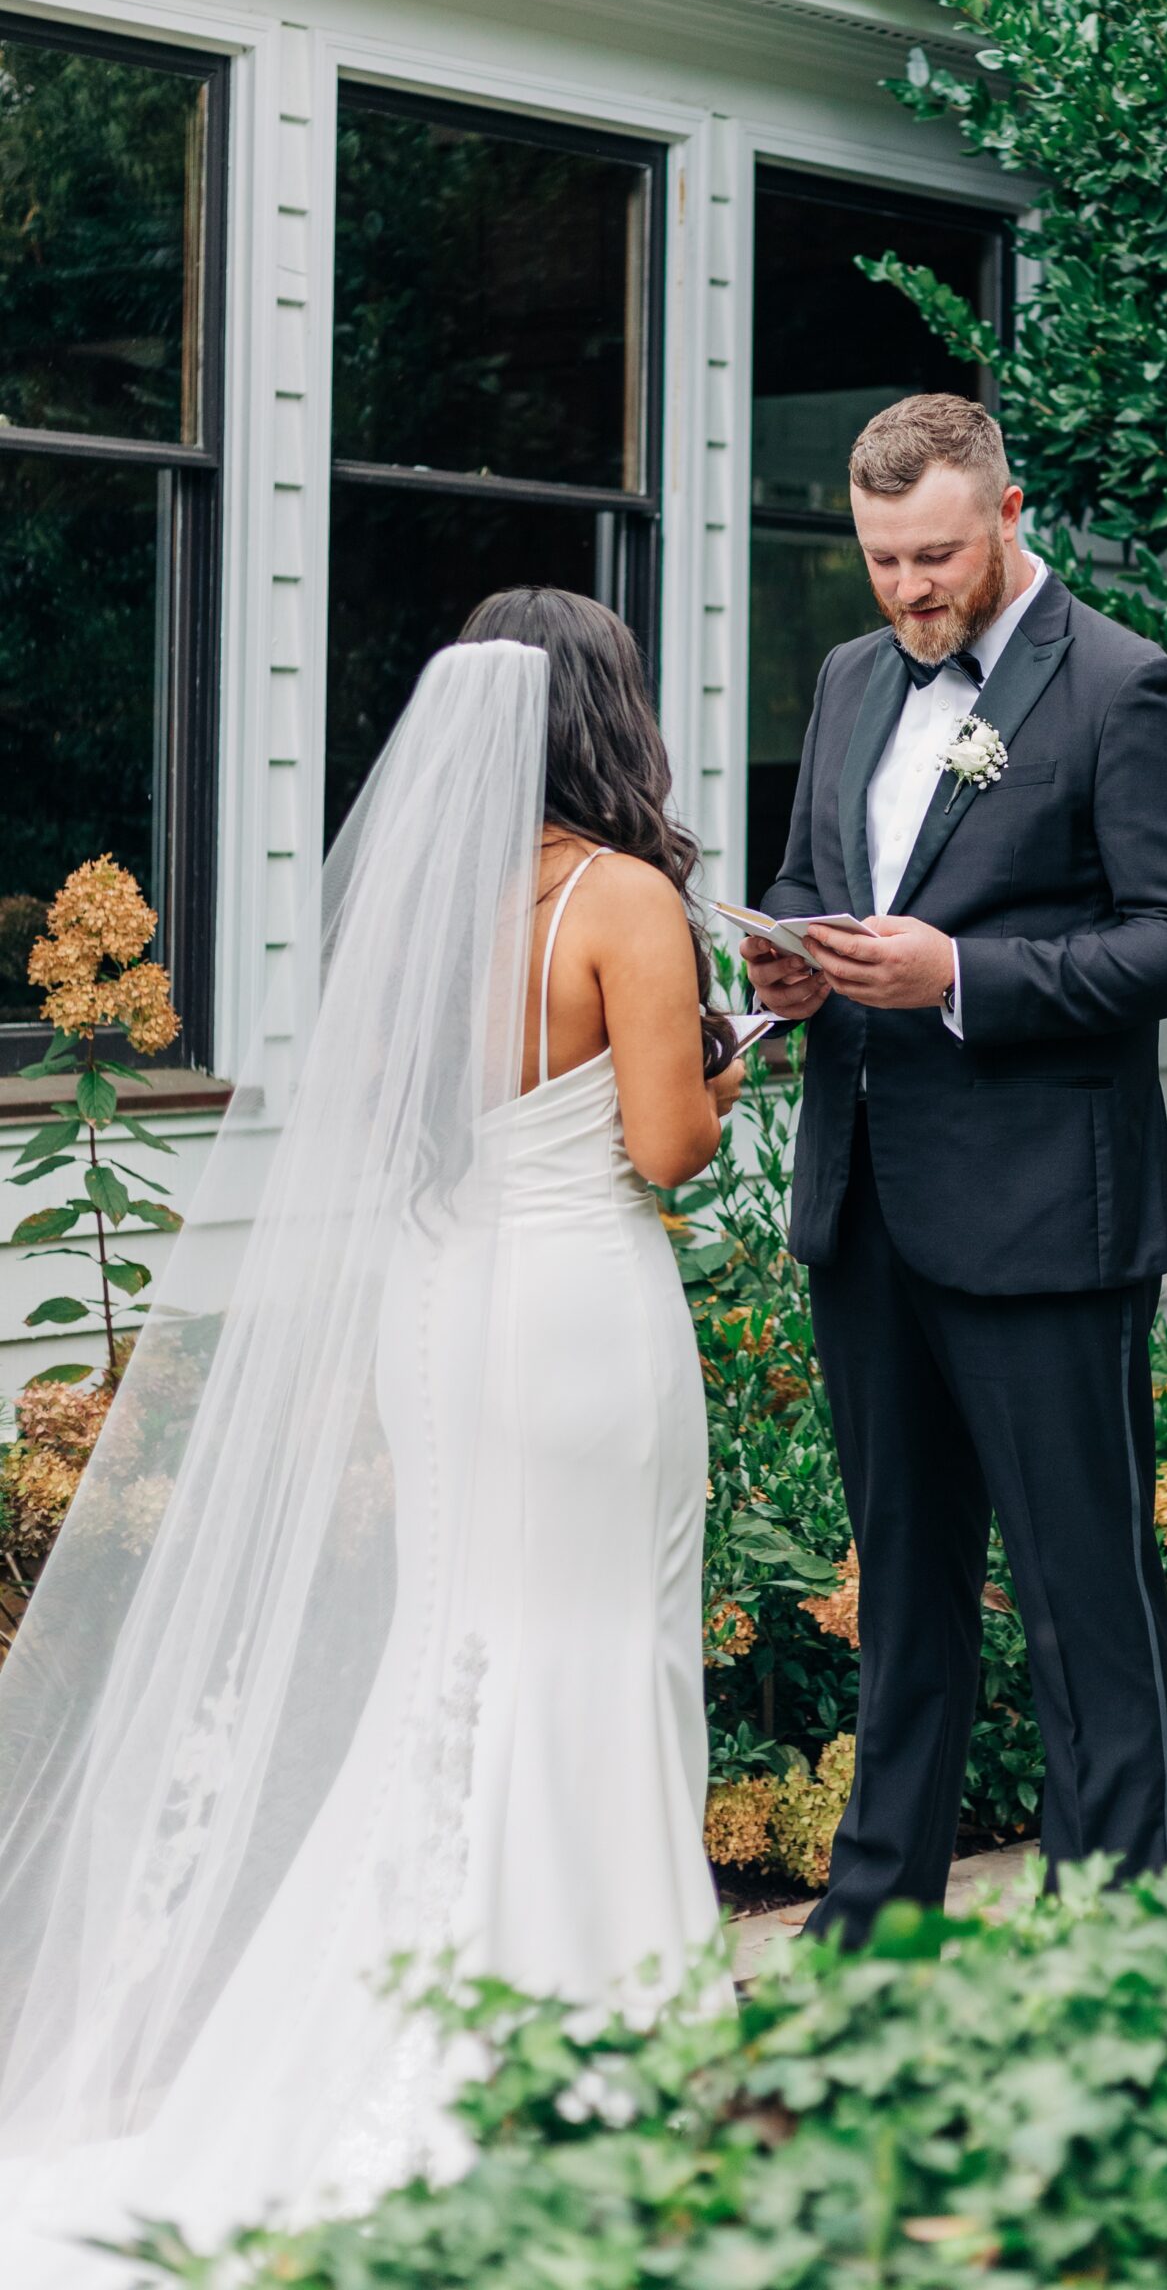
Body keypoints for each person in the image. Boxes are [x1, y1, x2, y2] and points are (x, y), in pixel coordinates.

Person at [0, 591, 740, 2282]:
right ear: (605, 716)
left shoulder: (426, 912)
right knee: (589, 1643)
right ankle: (600, 2032)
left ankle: (404, 2011)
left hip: (440, 1308)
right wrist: (740, 1049)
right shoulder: (623, 899)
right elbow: (667, 1146)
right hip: (572, 1316)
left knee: (455, 1649)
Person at [743, 393, 1167, 1946]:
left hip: (1046, 1218)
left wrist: (961, 973)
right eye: (883, 559)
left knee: (1085, 1601)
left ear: (1011, 513)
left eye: (936, 556)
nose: (907, 590)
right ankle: (875, 1923)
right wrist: (789, 966)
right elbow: (816, 879)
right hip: (865, 1198)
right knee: (900, 1587)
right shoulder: (841, 679)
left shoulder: (1124, 687)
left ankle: (1116, 1939)